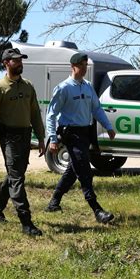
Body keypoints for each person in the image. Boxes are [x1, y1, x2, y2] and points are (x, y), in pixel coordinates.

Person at [45, 52, 116, 224]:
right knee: (84, 170)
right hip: (71, 134)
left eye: (86, 65)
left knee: (72, 169)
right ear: (73, 66)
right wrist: (53, 138)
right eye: (81, 65)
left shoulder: (88, 86)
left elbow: (96, 109)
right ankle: (97, 209)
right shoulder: (63, 88)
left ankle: (54, 202)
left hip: (85, 133)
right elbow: (51, 115)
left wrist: (108, 126)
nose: (84, 68)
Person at [0, 48, 45, 236]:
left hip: (25, 135)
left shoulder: (28, 86)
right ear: (6, 63)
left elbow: (35, 113)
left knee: (13, 175)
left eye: (21, 60)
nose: (20, 63)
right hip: (9, 137)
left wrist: (41, 138)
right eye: (15, 60)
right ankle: (26, 222)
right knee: (17, 178)